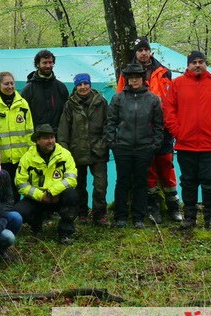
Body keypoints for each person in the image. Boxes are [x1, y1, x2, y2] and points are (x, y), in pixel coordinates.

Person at [163, 51, 211, 230]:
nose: (198, 65)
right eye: (194, 62)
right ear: (188, 65)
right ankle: (189, 217)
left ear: (205, 63)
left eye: (201, 61)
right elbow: (169, 110)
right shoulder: (177, 84)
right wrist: (178, 132)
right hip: (186, 144)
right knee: (188, 183)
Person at [116, 36, 181, 224]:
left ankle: (173, 203)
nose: (143, 53)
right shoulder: (127, 73)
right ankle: (153, 205)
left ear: (150, 51)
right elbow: (120, 99)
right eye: (140, 50)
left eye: (146, 49)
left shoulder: (164, 72)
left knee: (166, 163)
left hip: (163, 126)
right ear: (135, 53)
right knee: (148, 167)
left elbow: (171, 101)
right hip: (141, 128)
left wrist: (171, 122)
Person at [105, 64, 164, 228]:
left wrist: (155, 145)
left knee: (141, 182)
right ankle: (120, 216)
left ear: (143, 79)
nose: (134, 80)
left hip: (145, 148)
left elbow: (159, 125)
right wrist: (112, 143)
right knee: (122, 182)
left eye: (137, 77)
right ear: (127, 80)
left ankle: (138, 217)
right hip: (123, 147)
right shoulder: (118, 98)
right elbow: (110, 122)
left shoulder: (153, 99)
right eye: (131, 78)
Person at [57, 73, 109, 224]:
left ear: (90, 85)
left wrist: (102, 144)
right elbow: (63, 131)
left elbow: (109, 125)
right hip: (76, 152)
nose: (83, 87)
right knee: (79, 185)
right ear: (75, 87)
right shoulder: (69, 105)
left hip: (98, 151)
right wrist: (66, 153)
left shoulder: (101, 102)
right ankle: (82, 213)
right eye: (79, 84)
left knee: (100, 185)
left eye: (85, 83)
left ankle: (99, 214)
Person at [13, 124, 78, 244]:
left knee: (72, 195)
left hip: (57, 196)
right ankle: (36, 227)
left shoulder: (65, 154)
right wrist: (40, 196)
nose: (50, 141)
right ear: (37, 141)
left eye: (52, 137)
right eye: (46, 138)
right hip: (37, 198)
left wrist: (52, 192)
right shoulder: (27, 157)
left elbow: (71, 179)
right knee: (19, 211)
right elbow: (20, 183)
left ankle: (65, 233)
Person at [0, 71, 33, 182]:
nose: (10, 86)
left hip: (21, 158)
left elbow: (30, 131)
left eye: (12, 83)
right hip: (0, 159)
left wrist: (31, 154)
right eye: (6, 84)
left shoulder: (23, 104)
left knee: (20, 187)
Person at [21, 49, 69, 130]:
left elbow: (67, 113)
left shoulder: (61, 87)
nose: (48, 66)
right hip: (36, 135)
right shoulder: (28, 89)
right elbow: (23, 115)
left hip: (57, 134)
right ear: (37, 64)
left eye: (50, 62)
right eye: (44, 63)